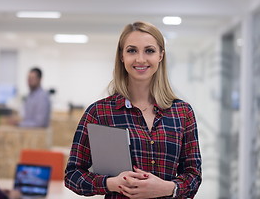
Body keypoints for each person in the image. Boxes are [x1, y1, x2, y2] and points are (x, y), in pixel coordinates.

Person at [64, 21, 202, 198]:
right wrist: (110, 183)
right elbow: (72, 175)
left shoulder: (182, 112)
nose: (140, 59)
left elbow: (194, 176)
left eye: (149, 51)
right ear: (122, 56)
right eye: (132, 50)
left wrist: (167, 188)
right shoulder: (99, 112)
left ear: (161, 55)